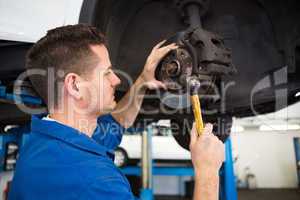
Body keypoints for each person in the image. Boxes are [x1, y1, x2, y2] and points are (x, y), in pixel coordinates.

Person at [8, 24, 224, 200]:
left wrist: (142, 82)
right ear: (74, 85)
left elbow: (118, 121)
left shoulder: (45, 142)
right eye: (107, 73)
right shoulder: (95, 182)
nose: (117, 80)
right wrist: (208, 172)